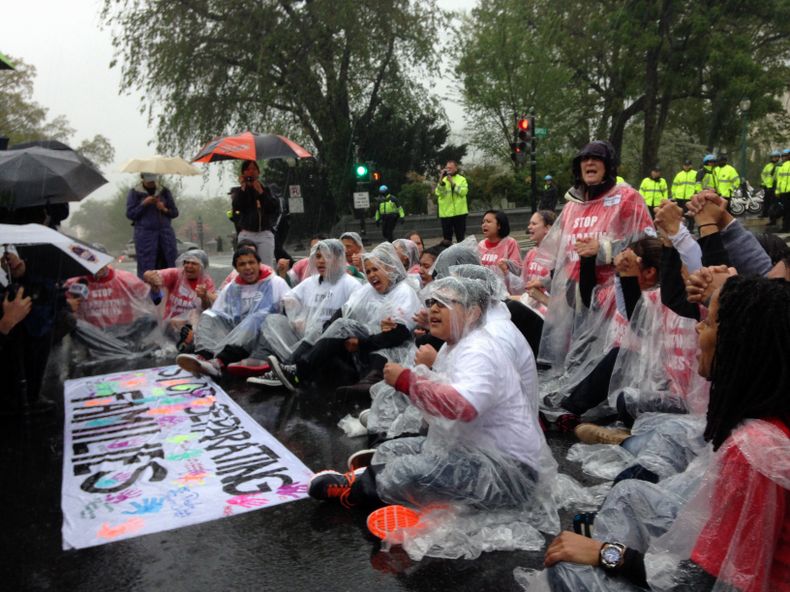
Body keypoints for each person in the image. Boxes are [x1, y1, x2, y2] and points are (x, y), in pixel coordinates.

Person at [530, 275, 789, 592]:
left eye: (710, 322)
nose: (698, 328)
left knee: (568, 572)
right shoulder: (766, 422)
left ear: (739, 341)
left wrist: (607, 554)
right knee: (631, 493)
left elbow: (700, 582)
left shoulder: (755, 451)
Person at [307, 278, 556, 530]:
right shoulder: (456, 346)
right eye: (432, 301)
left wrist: (407, 382)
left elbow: (464, 407)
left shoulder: (480, 350)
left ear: (472, 312)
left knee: (407, 471)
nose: (434, 308)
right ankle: (403, 493)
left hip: (509, 473)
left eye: (445, 303)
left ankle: (356, 489)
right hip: (473, 453)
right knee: (394, 450)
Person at [534, 140, 654, 377]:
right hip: (577, 296)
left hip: (614, 296)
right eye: (584, 160)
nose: (589, 163)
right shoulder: (572, 206)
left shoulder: (627, 197)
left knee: (607, 356)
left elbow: (648, 242)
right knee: (580, 357)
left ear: (608, 166)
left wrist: (604, 250)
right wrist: (549, 281)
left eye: (596, 159)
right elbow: (561, 252)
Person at [267, 243, 421, 393]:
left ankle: (299, 370)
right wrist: (325, 331)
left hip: (382, 347)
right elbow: (344, 310)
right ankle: (288, 367)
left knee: (342, 324)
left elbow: (399, 335)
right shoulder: (367, 290)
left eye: (376, 269)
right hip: (364, 341)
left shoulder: (404, 292)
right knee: (320, 329)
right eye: (368, 271)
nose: (371, 275)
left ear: (389, 268)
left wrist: (361, 344)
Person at [247, 239, 363, 386]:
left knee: (320, 329)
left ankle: (287, 369)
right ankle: (263, 360)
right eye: (318, 256)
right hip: (305, 336)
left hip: (329, 344)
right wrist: (297, 317)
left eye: (327, 257)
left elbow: (353, 319)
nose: (320, 261)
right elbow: (289, 298)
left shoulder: (351, 284)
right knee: (273, 320)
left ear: (339, 258)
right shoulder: (311, 281)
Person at [175, 245, 289, 377]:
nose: (247, 267)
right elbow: (218, 314)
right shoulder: (232, 287)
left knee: (257, 316)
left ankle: (219, 362)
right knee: (209, 314)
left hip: (262, 339)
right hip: (235, 334)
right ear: (236, 268)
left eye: (251, 262)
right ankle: (204, 356)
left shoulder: (275, 283)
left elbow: (291, 310)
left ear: (259, 264)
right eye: (242, 264)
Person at [142, 249, 216, 350]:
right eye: (186, 262)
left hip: (192, 325)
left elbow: (208, 308)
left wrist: (204, 296)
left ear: (202, 267)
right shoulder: (176, 274)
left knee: (196, 315)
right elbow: (153, 274)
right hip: (170, 323)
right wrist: (149, 275)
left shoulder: (206, 282)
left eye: (194, 263)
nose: (188, 266)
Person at [125, 172, 179, 279]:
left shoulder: (164, 191)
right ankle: (149, 292)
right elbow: (130, 214)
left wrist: (164, 209)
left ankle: (169, 290)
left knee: (169, 263)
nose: (151, 182)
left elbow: (175, 213)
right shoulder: (135, 193)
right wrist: (143, 204)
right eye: (148, 180)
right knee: (147, 265)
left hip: (165, 234)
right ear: (142, 178)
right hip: (145, 236)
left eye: (153, 179)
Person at [229, 160, 280, 267]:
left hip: (265, 233)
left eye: (254, 169)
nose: (251, 172)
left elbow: (273, 208)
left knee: (266, 267)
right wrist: (243, 188)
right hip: (247, 233)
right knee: (246, 266)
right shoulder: (238, 191)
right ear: (243, 173)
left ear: (258, 172)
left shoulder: (267, 190)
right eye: (248, 169)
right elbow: (237, 208)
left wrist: (261, 193)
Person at [521, 210, 556, 315]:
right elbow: (523, 284)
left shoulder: (557, 254)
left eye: (534, 224)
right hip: (532, 309)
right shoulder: (531, 254)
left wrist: (541, 296)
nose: (529, 227)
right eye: (529, 224)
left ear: (547, 228)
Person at [478, 209, 522, 291]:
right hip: (484, 292)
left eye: (488, 221)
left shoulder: (510, 243)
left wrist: (506, 264)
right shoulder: (480, 245)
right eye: (483, 222)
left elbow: (518, 269)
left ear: (499, 225)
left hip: (505, 294)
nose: (484, 225)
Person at [434, 160, 469, 244]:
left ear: (456, 169)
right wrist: (441, 181)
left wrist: (452, 183)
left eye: (450, 168)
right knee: (446, 240)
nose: (448, 170)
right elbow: (439, 193)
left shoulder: (462, 179)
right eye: (447, 168)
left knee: (460, 238)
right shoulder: (443, 180)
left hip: (459, 213)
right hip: (446, 214)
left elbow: (463, 192)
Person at [670, 158, 696, 229]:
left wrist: (695, 195)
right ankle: (679, 228)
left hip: (690, 197)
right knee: (679, 214)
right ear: (683, 166)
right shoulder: (679, 174)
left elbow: (697, 185)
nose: (686, 166)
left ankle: (690, 229)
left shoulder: (695, 174)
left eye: (688, 165)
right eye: (685, 165)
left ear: (691, 166)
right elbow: (674, 186)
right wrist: (674, 195)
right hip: (679, 197)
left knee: (690, 214)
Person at [762, 150, 781, 224]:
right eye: (772, 157)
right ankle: (770, 218)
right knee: (767, 203)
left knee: (775, 204)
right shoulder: (768, 166)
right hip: (768, 187)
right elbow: (763, 175)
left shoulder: (780, 166)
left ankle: (775, 219)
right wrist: (765, 184)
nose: (774, 159)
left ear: (778, 158)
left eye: (775, 157)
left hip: (776, 188)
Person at [776, 148, 790, 232]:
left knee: (787, 211)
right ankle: (785, 227)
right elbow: (779, 180)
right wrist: (777, 191)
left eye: (786, 156)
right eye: (783, 156)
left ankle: (786, 227)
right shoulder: (782, 166)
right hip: (784, 193)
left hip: (787, 192)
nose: (784, 158)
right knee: (785, 211)